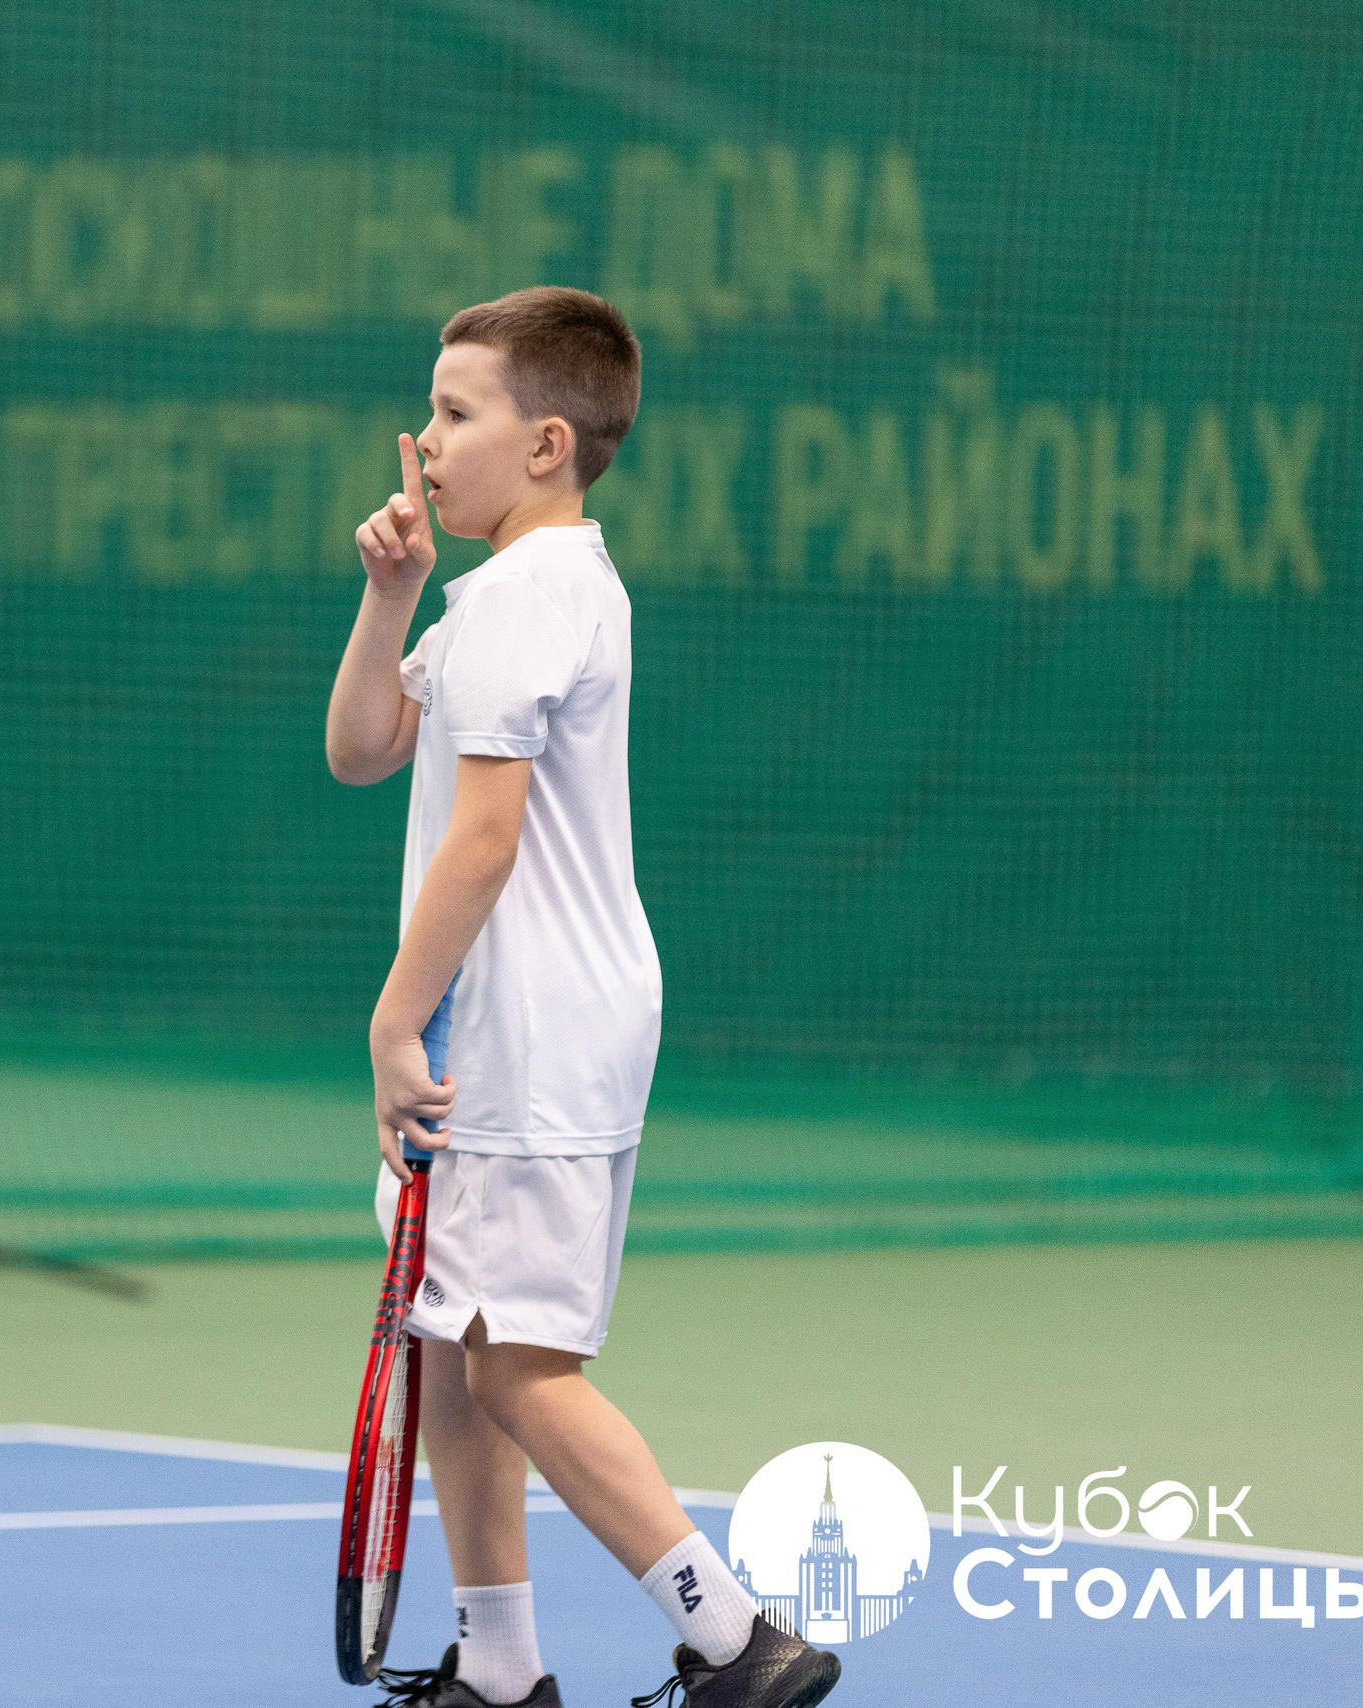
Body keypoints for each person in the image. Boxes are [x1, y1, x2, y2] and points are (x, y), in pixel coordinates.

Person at [324, 286, 840, 1708]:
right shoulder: (517, 595)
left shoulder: (527, 602)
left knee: (523, 1369)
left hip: (521, 1041)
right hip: (535, 1031)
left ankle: (741, 1641)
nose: (426, 441)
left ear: (547, 443)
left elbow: (483, 842)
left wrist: (390, 1021)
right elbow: (366, 748)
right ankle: (500, 1669)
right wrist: (388, 598)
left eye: (456, 411)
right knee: (460, 1343)